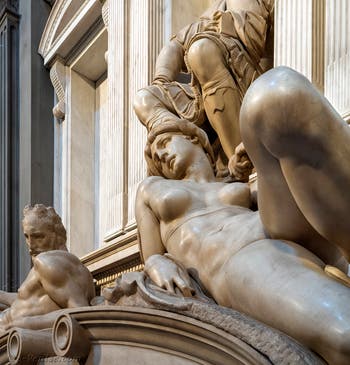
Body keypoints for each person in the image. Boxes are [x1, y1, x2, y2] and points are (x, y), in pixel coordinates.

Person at [135, 67, 350, 365]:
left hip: (273, 228)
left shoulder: (230, 184)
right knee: (345, 333)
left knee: (273, 96)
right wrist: (158, 264)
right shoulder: (151, 188)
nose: (159, 156)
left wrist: (256, 162)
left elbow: (277, 200)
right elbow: (151, 256)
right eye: (154, 156)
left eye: (163, 143)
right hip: (242, 258)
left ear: (194, 139)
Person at [134, 0, 274, 180]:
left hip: (249, 82)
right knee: (144, 98)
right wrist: (161, 81)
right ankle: (189, 162)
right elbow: (174, 46)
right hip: (201, 97)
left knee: (201, 51)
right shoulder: (210, 16)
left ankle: (242, 164)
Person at [0, 204, 95, 333]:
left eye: (38, 236)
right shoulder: (64, 265)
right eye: (27, 237)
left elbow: (81, 313)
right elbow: (28, 299)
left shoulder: (47, 263)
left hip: (10, 334)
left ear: (55, 234)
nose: (31, 245)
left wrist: (25, 324)